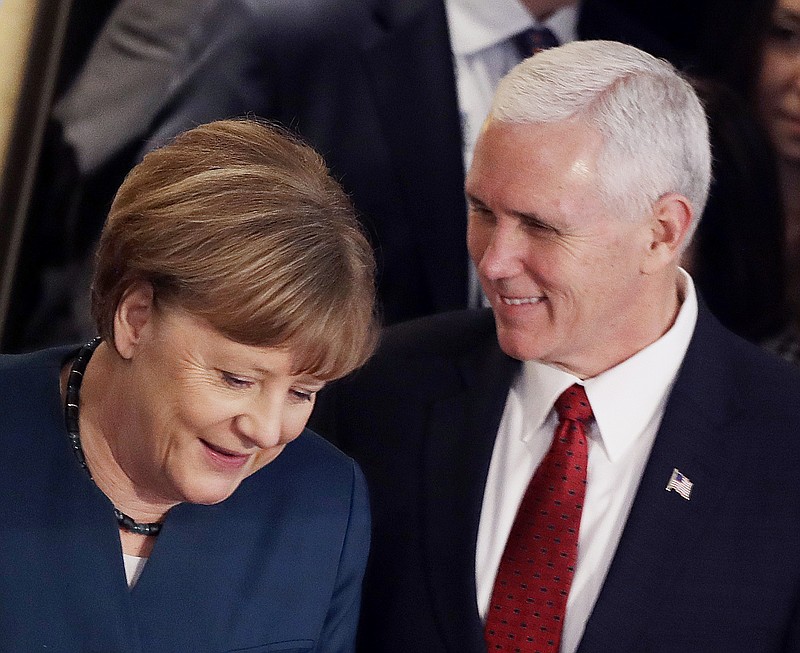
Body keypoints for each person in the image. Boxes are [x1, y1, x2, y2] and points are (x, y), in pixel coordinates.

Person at [310, 40, 800, 652]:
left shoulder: (784, 444)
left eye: (540, 226)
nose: (493, 261)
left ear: (662, 232)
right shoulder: (376, 390)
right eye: (481, 210)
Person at [0, 119, 378, 651]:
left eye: (301, 392)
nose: (267, 431)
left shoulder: (323, 506)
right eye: (236, 378)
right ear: (135, 318)